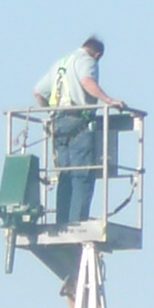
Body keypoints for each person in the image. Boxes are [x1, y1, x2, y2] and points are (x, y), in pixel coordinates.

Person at [34, 37, 124, 228]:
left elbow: (38, 92)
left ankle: (62, 222)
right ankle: (76, 224)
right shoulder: (87, 61)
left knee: (65, 176)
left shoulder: (60, 64)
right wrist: (108, 100)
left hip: (59, 124)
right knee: (82, 175)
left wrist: (51, 113)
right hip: (78, 122)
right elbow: (87, 81)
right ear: (97, 54)